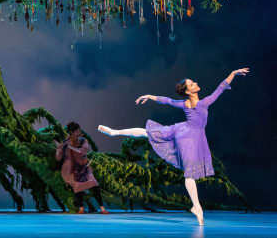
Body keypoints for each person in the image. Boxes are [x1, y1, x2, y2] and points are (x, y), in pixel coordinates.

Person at [97, 67, 249, 226]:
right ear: (189, 91)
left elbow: (168, 100)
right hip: (189, 138)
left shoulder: (186, 104)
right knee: (188, 173)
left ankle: (115, 132)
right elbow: (220, 89)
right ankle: (197, 207)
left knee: (149, 133)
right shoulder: (203, 103)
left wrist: (149, 96)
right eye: (192, 84)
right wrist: (233, 74)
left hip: (184, 132)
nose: (196, 83)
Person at [55, 122, 109, 214]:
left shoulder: (83, 140)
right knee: (77, 185)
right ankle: (81, 208)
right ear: (72, 132)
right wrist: (59, 150)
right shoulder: (65, 142)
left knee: (94, 183)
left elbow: (83, 151)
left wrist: (72, 147)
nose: (79, 132)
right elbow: (58, 157)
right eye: (77, 130)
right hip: (70, 169)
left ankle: (102, 207)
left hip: (83, 167)